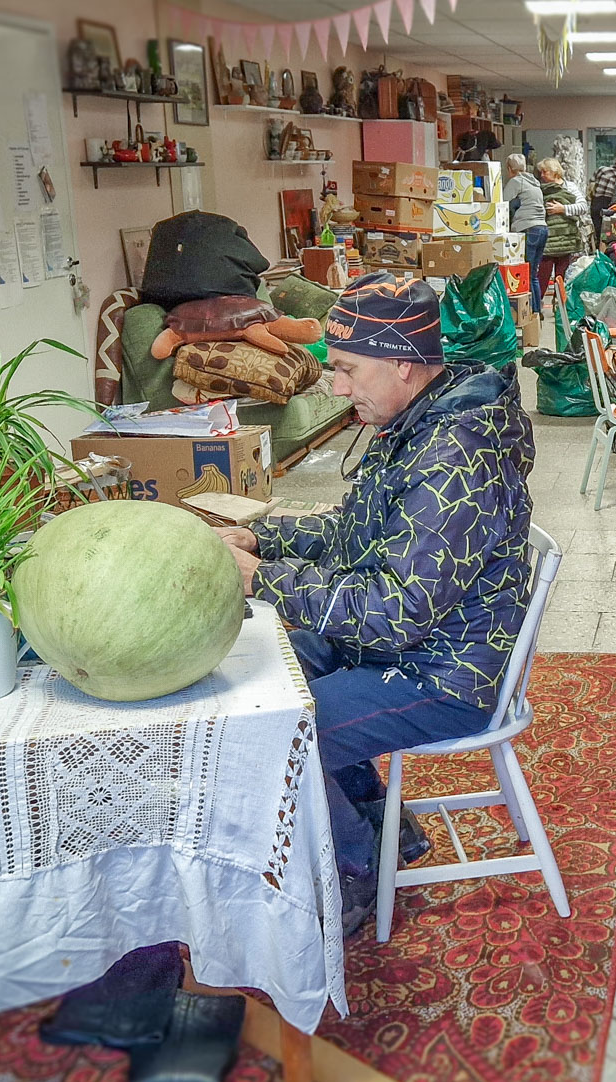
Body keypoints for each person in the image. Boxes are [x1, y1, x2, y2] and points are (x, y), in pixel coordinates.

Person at [218, 270, 536, 931]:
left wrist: (263, 579)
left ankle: (356, 869)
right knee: (273, 670)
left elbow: (394, 613)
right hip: (421, 645)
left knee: (276, 726)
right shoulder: (422, 419)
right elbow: (349, 532)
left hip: (446, 673)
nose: (337, 387)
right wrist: (261, 536)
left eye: (347, 370)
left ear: (402, 365)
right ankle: (383, 830)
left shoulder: (454, 454)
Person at [503, 153, 549, 312]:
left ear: (509, 169)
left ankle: (532, 313)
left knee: (526, 274)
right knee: (533, 274)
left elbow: (501, 202)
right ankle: (537, 312)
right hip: (542, 229)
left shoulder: (516, 181)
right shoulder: (534, 182)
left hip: (528, 229)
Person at [538, 157, 584, 295]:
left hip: (565, 239)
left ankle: (559, 306)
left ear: (554, 172)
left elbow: (582, 207)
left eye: (544, 172)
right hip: (549, 240)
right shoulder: (540, 190)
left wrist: (562, 209)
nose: (541, 175)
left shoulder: (570, 187)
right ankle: (536, 308)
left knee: (561, 277)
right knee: (543, 276)